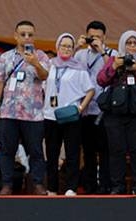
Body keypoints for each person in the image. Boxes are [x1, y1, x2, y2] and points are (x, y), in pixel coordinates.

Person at [0, 20, 50, 195]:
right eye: (22, 34)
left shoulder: (42, 56)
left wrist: (35, 63)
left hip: (34, 113)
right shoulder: (5, 57)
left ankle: (38, 183)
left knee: (36, 151)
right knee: (7, 150)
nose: (26, 38)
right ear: (15, 36)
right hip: (9, 112)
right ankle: (7, 184)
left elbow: (45, 76)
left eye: (30, 34)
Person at [99, 30, 136, 195]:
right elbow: (101, 79)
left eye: (135, 43)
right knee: (116, 150)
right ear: (122, 44)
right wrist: (114, 66)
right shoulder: (114, 59)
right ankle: (117, 186)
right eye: (128, 43)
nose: (132, 47)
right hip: (116, 113)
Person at [43, 33, 94, 196]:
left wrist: (80, 108)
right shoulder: (50, 65)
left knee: (72, 153)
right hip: (51, 115)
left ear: (73, 50)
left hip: (70, 115)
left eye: (69, 47)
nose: (66, 49)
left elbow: (90, 90)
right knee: (52, 153)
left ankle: (71, 187)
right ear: (57, 47)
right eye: (63, 46)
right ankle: (52, 187)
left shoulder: (79, 68)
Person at [75, 20, 114, 194]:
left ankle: (105, 185)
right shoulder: (80, 54)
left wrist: (102, 51)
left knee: (105, 150)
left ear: (104, 37)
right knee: (88, 150)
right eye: (92, 36)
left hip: (104, 109)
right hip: (84, 109)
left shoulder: (111, 53)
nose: (95, 40)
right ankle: (89, 185)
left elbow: (113, 71)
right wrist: (77, 47)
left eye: (98, 37)